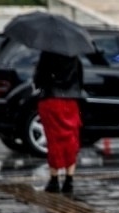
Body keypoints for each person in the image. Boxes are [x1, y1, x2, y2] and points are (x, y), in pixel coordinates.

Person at [33, 51, 84, 194]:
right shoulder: (74, 56)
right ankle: (69, 180)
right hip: (70, 100)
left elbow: (38, 80)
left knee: (54, 139)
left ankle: (54, 180)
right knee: (71, 137)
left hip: (51, 99)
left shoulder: (46, 54)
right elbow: (80, 80)